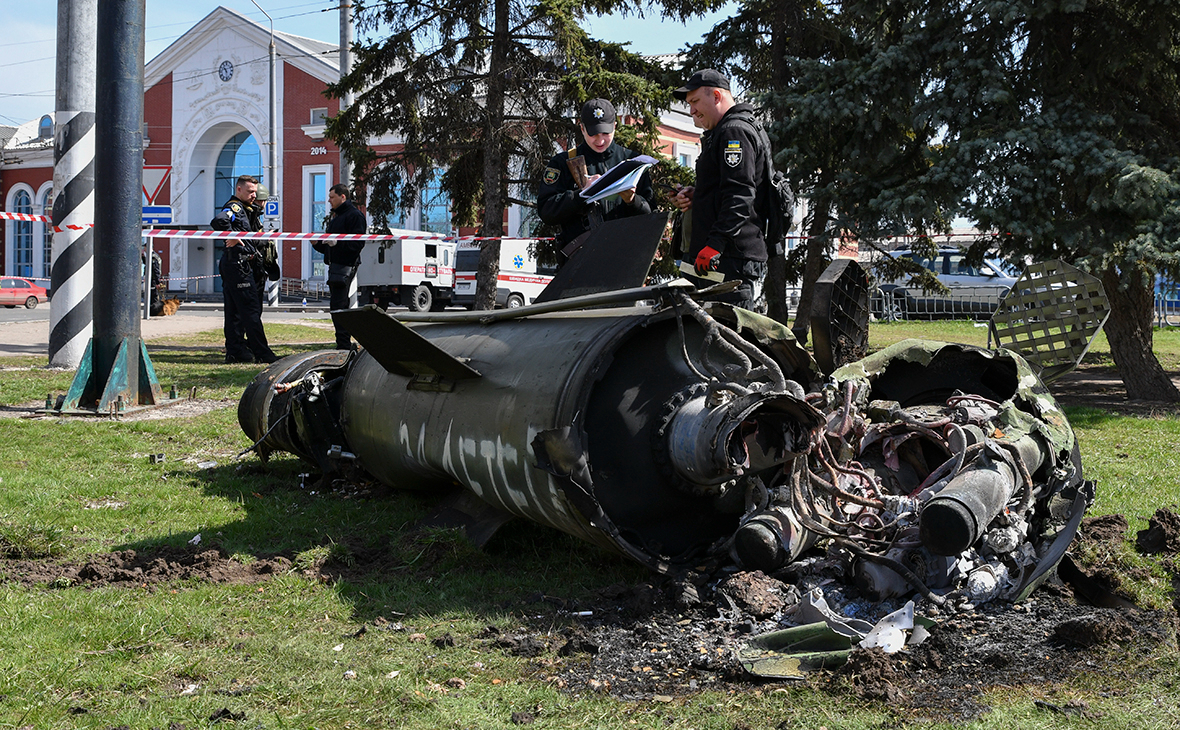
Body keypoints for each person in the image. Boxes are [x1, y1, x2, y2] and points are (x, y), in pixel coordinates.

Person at [671, 69, 772, 312]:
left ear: (716, 96)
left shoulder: (733, 132)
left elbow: (740, 194)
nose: (692, 110)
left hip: (727, 258)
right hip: (720, 257)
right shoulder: (725, 130)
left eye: (695, 101)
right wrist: (699, 195)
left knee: (727, 331)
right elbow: (730, 187)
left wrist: (716, 243)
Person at [538, 98, 655, 259]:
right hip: (580, 261)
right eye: (593, 134)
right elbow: (546, 210)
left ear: (615, 126)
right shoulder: (563, 163)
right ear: (582, 128)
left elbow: (651, 216)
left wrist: (632, 200)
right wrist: (581, 195)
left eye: (606, 133)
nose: (600, 140)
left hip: (625, 259)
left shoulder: (633, 162)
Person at [211, 174, 278, 364]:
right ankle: (263, 353)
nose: (253, 195)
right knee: (250, 310)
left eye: (255, 192)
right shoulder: (235, 207)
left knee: (234, 312)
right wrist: (231, 234)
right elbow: (218, 220)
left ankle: (236, 351)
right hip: (237, 265)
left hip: (239, 264)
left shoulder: (247, 210)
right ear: (239, 189)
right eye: (250, 192)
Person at [313, 183, 367, 349]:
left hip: (345, 266)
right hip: (336, 266)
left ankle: (344, 344)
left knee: (339, 305)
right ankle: (343, 343)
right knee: (337, 305)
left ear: (343, 197)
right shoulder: (337, 217)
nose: (329, 200)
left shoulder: (354, 216)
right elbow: (329, 248)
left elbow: (357, 244)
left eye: (332, 197)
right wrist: (316, 244)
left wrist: (337, 243)